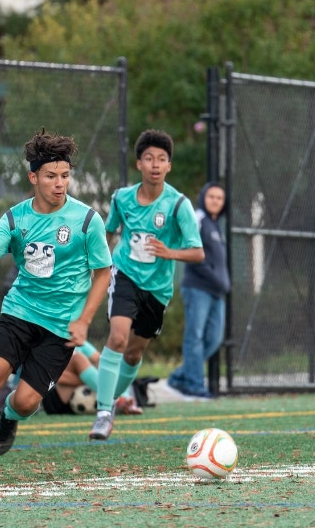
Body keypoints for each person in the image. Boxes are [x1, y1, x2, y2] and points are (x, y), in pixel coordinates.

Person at [0, 128, 112, 479]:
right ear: (33, 177)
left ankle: (9, 417)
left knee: (26, 402)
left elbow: (103, 274)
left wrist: (85, 320)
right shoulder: (15, 219)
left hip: (61, 325)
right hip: (20, 311)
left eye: (65, 176)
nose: (60, 184)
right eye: (51, 176)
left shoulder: (87, 220)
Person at [89, 129, 204, 441]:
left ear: (169, 166)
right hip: (124, 274)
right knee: (117, 338)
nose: (155, 164)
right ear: (139, 164)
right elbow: (108, 233)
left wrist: (170, 252)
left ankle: (113, 399)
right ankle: (102, 413)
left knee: (134, 354)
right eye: (149, 158)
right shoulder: (122, 198)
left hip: (157, 290)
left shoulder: (179, 205)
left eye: (162, 159)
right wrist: (97, 268)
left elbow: (197, 252)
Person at [167, 182, 230, 398]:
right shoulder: (198, 218)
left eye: (220, 198)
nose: (215, 201)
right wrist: (215, 279)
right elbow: (191, 254)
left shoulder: (216, 225)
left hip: (216, 292)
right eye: (211, 197)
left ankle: (179, 377)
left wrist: (223, 283)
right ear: (204, 197)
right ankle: (195, 385)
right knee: (194, 337)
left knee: (214, 339)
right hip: (198, 288)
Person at [41, 341, 143, 416]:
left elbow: (101, 362)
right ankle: (121, 398)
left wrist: (91, 376)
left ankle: (120, 400)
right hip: (53, 397)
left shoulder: (78, 341)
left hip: (81, 392)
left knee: (105, 363)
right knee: (78, 359)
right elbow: (50, 377)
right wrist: (87, 378)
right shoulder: (48, 342)